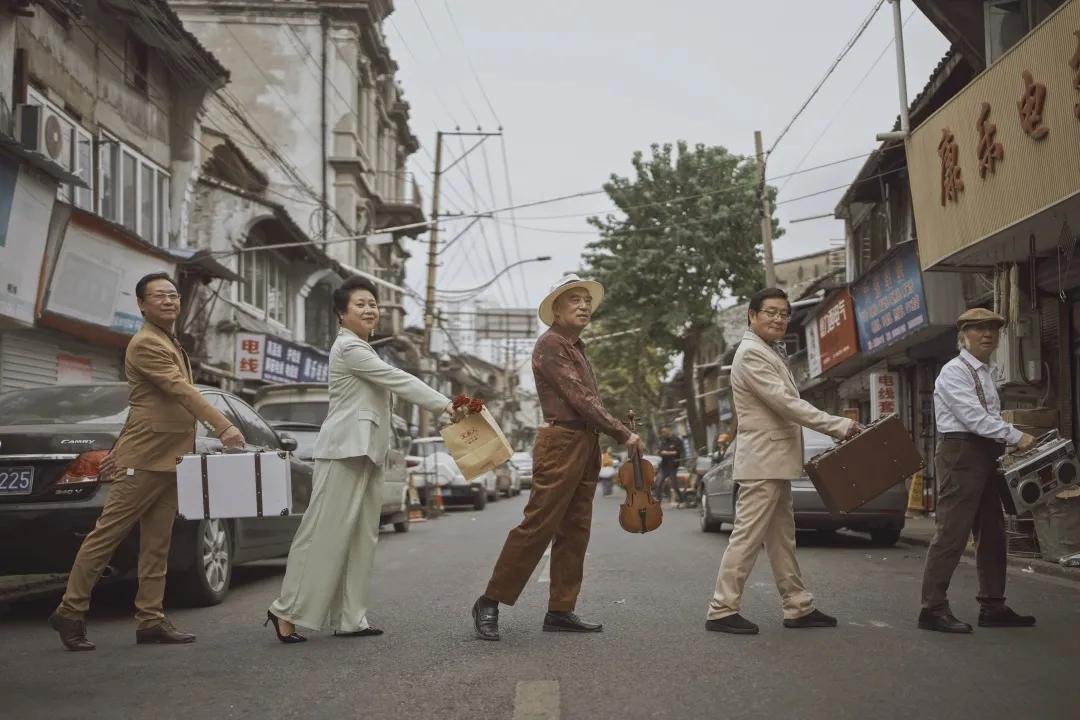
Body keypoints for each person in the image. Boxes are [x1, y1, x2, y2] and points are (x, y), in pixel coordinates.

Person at [48, 273, 246, 651]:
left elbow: (143, 407)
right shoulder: (145, 344)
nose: (170, 301)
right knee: (105, 538)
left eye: (173, 295)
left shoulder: (169, 341)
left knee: (157, 546)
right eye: (159, 296)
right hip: (141, 463)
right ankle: (70, 611)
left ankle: (150, 620)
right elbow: (180, 389)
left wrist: (115, 449)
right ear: (141, 304)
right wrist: (222, 425)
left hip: (170, 461)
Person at [266, 277, 456, 643]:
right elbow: (398, 379)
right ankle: (285, 610)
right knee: (323, 534)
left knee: (361, 538)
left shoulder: (365, 351)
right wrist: (445, 403)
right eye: (360, 304)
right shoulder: (351, 349)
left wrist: (447, 413)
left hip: (368, 451)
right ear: (341, 313)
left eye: (373, 304)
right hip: (343, 451)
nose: (370, 310)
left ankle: (351, 618)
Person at [472, 274, 645, 641]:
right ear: (556, 309)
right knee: (538, 524)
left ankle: (561, 609)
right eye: (574, 300)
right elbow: (580, 398)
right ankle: (489, 601)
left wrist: (609, 432)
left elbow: (587, 401)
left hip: (585, 441)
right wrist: (622, 431)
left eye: (587, 300)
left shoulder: (575, 346)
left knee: (576, 528)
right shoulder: (551, 343)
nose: (584, 306)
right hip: (561, 440)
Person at [705, 287, 860, 636]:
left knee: (782, 539)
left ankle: (798, 606)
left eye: (784, 313)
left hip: (774, 461)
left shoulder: (769, 351)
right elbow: (785, 403)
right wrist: (839, 425)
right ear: (752, 315)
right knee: (746, 537)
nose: (778, 318)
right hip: (763, 461)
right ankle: (721, 609)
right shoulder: (751, 355)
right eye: (770, 312)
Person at [918, 308, 1037, 634]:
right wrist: (1016, 436)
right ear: (963, 336)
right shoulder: (954, 371)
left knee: (993, 531)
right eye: (978, 329)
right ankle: (932, 608)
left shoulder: (985, 372)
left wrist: (1007, 441)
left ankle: (993, 605)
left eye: (993, 330)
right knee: (952, 532)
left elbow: (986, 419)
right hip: (961, 452)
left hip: (985, 453)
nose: (987, 335)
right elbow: (974, 418)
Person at [655, 425, 684, 506]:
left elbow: (678, 452)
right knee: (658, 483)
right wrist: (662, 452)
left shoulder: (677, 440)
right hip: (664, 466)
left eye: (664, 432)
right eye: (662, 432)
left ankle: (682, 500)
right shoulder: (663, 441)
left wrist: (666, 453)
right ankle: (658, 501)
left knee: (674, 485)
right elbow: (660, 451)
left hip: (673, 466)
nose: (663, 434)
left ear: (669, 430)